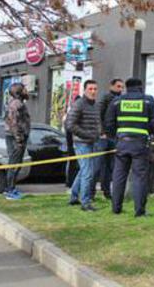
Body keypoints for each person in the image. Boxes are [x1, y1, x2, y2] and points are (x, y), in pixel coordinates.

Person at [105, 78, 154, 217]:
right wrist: (146, 131)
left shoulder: (117, 101)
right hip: (140, 144)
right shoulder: (148, 100)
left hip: (122, 143)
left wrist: (115, 137)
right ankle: (139, 211)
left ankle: (116, 208)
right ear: (140, 87)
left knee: (118, 176)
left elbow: (109, 122)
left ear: (126, 88)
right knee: (139, 177)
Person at [67, 80, 100, 211]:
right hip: (81, 143)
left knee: (83, 171)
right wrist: (87, 135)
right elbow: (70, 125)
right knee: (88, 173)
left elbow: (97, 122)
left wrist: (99, 133)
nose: (93, 91)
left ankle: (74, 197)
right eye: (90, 89)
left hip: (92, 142)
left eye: (95, 89)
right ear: (85, 90)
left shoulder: (95, 105)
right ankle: (85, 202)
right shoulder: (79, 104)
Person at [91, 78, 124, 200]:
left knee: (110, 167)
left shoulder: (121, 100)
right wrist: (101, 132)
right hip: (103, 137)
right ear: (112, 86)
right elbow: (98, 115)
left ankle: (106, 191)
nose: (121, 89)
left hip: (114, 137)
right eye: (119, 86)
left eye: (122, 87)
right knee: (97, 166)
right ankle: (91, 192)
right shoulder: (106, 98)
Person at [3, 83, 30, 200]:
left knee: (15, 164)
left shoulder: (18, 103)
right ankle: (10, 190)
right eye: (24, 89)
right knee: (14, 164)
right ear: (19, 91)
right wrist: (19, 139)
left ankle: (11, 188)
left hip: (16, 137)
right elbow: (13, 123)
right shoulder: (16, 104)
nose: (27, 91)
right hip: (15, 138)